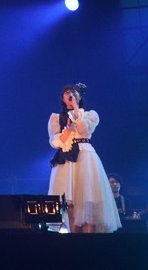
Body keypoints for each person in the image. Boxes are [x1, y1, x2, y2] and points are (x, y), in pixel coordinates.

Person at [47, 83, 121, 233]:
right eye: (67, 92)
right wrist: (67, 131)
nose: (70, 94)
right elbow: (54, 142)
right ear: (63, 98)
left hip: (85, 157)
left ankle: (88, 243)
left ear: (80, 96)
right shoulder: (56, 117)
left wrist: (75, 108)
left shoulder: (90, 115)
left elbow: (83, 129)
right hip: (66, 160)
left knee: (88, 202)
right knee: (70, 204)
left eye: (74, 92)